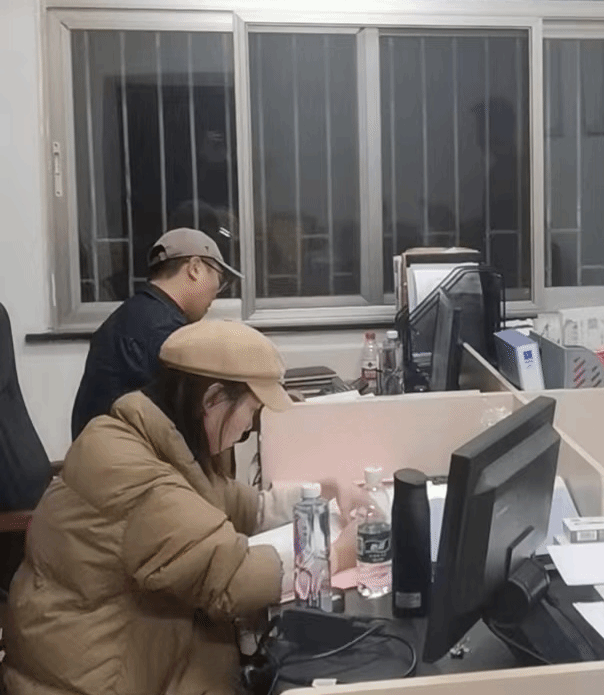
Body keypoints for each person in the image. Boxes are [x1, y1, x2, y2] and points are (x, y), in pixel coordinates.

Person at [1, 320, 354, 694]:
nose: (248, 427)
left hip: (107, 657)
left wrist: (323, 492)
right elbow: (232, 581)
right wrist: (337, 556)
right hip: (85, 682)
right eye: (250, 411)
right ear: (212, 399)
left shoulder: (144, 439)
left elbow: (229, 501)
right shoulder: (136, 477)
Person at [70, 227, 241, 440]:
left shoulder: (132, 316)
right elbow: (191, 422)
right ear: (195, 268)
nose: (217, 292)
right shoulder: (165, 333)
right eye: (219, 278)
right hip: (126, 455)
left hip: (100, 450)